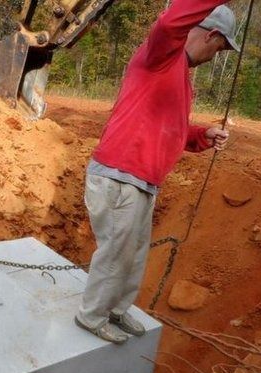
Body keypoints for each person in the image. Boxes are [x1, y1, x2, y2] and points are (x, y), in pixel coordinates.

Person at [75, 1, 239, 344]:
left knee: (133, 254)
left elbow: (172, 129)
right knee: (116, 253)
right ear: (211, 35)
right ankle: (91, 316)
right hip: (120, 175)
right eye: (221, 48)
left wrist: (202, 135)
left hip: (141, 181)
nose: (217, 57)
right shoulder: (164, 54)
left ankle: (116, 310)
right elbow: (170, 22)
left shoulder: (181, 75)